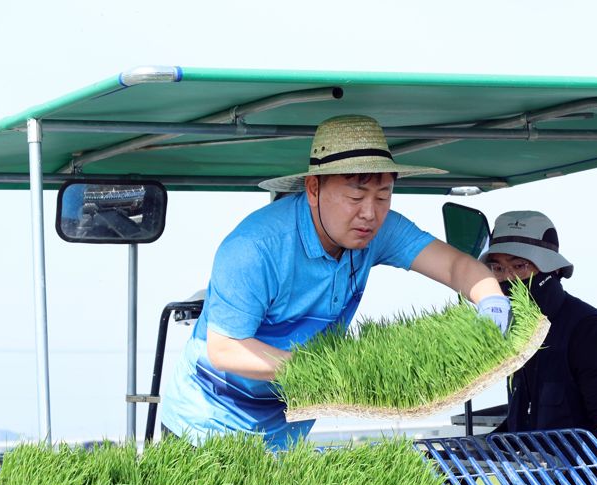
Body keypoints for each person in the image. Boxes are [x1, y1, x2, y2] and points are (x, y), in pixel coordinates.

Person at [161, 114, 511, 448]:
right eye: (356, 197)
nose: (370, 213)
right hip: (205, 422)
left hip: (285, 427)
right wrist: (335, 372)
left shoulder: (380, 231)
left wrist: (491, 300)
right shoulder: (255, 248)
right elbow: (225, 348)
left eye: (383, 196)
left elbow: (455, 267)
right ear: (313, 189)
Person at [483, 210, 597, 434]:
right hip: (546, 466)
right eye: (498, 269)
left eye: (520, 266)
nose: (508, 278)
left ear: (553, 268)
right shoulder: (520, 332)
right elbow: (522, 422)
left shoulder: (590, 330)